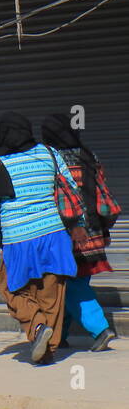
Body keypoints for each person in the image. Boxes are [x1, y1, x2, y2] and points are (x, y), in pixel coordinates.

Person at [0, 113, 80, 365]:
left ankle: (38, 328)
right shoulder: (49, 153)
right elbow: (71, 188)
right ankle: (46, 350)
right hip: (54, 235)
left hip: (19, 239)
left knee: (12, 289)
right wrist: (78, 225)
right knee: (51, 296)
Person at [41, 114, 119, 352]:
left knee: (71, 282)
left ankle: (100, 329)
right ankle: (59, 335)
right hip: (93, 230)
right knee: (71, 282)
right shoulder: (88, 155)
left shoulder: (51, 159)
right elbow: (100, 191)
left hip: (68, 231)